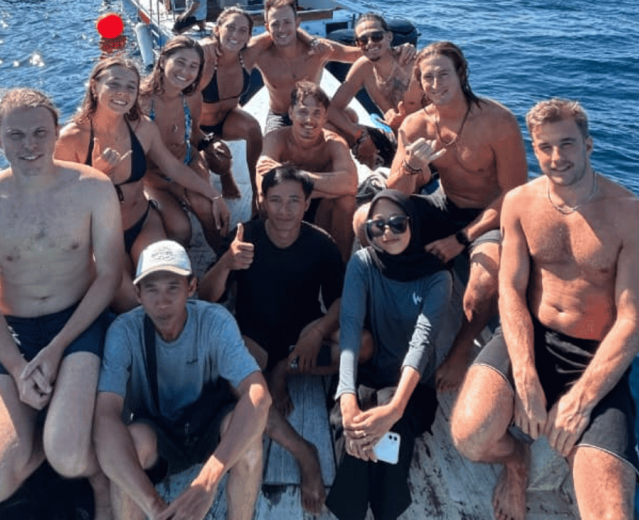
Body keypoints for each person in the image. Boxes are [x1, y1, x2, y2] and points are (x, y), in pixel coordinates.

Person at [450, 98, 639, 520]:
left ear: (588, 144)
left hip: (592, 356)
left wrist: (580, 401)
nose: (555, 157)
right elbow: (511, 289)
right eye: (544, 147)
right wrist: (525, 374)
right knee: (470, 438)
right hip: (529, 336)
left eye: (566, 144)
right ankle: (516, 462)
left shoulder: (636, 220)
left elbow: (633, 323)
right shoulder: (520, 203)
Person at [0, 88, 122, 518]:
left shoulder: (93, 188)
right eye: (16, 135)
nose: (29, 145)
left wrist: (57, 347)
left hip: (78, 322)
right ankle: (43, 435)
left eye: (39, 133)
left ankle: (97, 476)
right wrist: (17, 367)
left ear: (56, 133)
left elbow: (109, 275)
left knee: (69, 455)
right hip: (13, 334)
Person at [198, 164, 349, 514]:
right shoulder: (244, 237)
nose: (285, 210)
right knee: (229, 373)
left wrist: (317, 332)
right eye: (276, 200)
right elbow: (205, 298)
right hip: (255, 339)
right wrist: (227, 263)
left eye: (294, 201)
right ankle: (304, 452)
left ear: (307, 203)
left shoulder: (321, 244)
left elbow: (341, 301)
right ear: (263, 201)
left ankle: (284, 369)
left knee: (361, 346)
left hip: (302, 339)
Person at [384, 41, 528, 393]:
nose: (435, 84)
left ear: (461, 73)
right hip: (444, 205)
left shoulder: (497, 121)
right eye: (427, 77)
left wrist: (461, 239)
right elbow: (395, 193)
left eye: (443, 74)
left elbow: (514, 194)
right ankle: (401, 303)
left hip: (490, 217)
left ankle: (460, 350)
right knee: (369, 221)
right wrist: (411, 166)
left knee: (481, 288)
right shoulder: (416, 125)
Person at [94, 240, 271, 520]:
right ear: (137, 293)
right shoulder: (124, 332)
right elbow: (105, 416)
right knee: (128, 446)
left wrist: (208, 480)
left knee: (249, 444)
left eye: (172, 287)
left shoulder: (215, 321)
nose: (162, 301)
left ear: (191, 287)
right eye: (151, 289)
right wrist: (156, 508)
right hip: (158, 433)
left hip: (210, 425)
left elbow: (258, 395)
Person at [55, 55, 225, 311]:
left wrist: (214, 195)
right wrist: (98, 174)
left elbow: (173, 167)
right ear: (94, 86)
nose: (122, 92)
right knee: (130, 304)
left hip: (142, 223)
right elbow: (59, 201)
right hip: (101, 237)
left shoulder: (143, 128)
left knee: (164, 293)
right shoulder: (71, 138)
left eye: (130, 86)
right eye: (114, 83)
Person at [326, 190, 452, 520]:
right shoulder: (363, 264)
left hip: (410, 385)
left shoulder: (437, 277)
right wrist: (347, 396)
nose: (387, 232)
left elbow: (421, 346)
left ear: (414, 224)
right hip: (367, 373)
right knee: (351, 427)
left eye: (398, 224)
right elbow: (350, 328)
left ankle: (385, 511)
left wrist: (395, 409)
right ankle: (350, 512)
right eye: (377, 225)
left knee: (391, 433)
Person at [139, 36, 230, 252]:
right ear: (163, 61)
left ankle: (224, 258)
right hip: (153, 179)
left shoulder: (192, 97)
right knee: (181, 230)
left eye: (193, 66)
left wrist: (210, 144)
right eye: (180, 62)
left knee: (207, 207)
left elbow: (194, 133)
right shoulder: (140, 101)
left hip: (187, 162)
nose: (185, 72)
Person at [258, 81, 358, 259]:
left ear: (325, 117)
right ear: (291, 113)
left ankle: (339, 263)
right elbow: (263, 185)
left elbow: (350, 184)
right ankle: (274, 256)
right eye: (303, 112)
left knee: (347, 202)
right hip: (286, 204)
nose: (309, 120)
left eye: (317, 113)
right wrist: (318, 190)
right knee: (263, 201)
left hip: (321, 210)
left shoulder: (334, 143)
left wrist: (298, 175)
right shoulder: (275, 139)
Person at [253, 0, 361, 132]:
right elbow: (235, 51)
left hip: (312, 111)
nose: (281, 29)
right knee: (271, 142)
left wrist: (386, 48)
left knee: (350, 117)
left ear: (297, 23)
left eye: (287, 22)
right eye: (275, 24)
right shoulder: (260, 55)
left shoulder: (318, 51)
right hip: (281, 115)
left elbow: (352, 54)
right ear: (267, 28)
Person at [327, 13, 423, 169]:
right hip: (393, 139)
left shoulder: (413, 62)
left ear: (389, 36)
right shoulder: (363, 68)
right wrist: (360, 135)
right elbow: (332, 109)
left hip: (423, 142)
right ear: (357, 45)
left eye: (377, 36)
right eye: (363, 40)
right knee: (326, 126)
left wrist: (408, 121)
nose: (370, 43)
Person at [196, 7, 264, 208]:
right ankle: (225, 174)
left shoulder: (248, 56)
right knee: (219, 163)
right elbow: (176, 52)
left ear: (249, 36)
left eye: (243, 30)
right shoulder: (204, 56)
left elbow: (280, 32)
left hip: (227, 120)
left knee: (253, 128)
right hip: (197, 128)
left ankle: (257, 189)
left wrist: (313, 43)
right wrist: (202, 44)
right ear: (217, 29)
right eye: (230, 28)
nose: (236, 35)